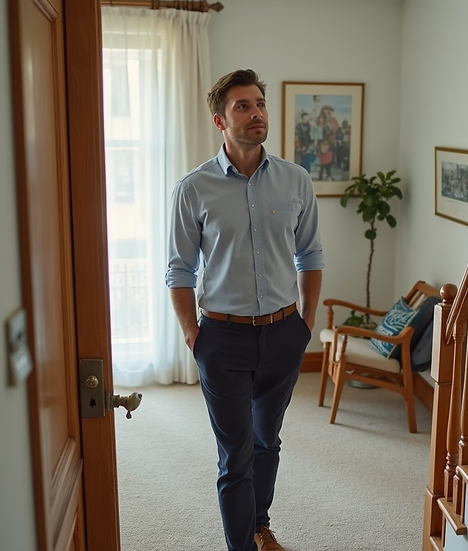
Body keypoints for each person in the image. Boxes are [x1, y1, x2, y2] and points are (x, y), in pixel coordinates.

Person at [166, 69, 324, 551]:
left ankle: (259, 525)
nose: (256, 112)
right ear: (220, 120)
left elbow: (311, 256)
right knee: (235, 455)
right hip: (223, 339)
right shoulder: (194, 188)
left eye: (259, 103)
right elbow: (179, 269)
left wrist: (305, 324)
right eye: (243, 106)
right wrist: (195, 335)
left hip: (282, 335)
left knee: (266, 443)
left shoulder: (296, 181)